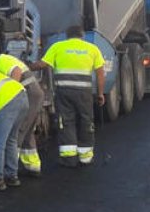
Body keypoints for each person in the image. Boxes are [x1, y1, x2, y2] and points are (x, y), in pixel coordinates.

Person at [31, 26, 106, 168]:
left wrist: (26, 67)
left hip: (64, 92)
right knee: (86, 121)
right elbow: (100, 73)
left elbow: (42, 64)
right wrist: (100, 94)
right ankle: (86, 158)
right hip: (84, 93)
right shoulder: (92, 49)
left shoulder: (58, 46)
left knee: (65, 122)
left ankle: (69, 159)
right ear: (82, 35)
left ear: (67, 35)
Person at [0, 47, 46, 178]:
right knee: (26, 130)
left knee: (17, 130)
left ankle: (9, 170)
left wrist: (11, 93)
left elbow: (16, 71)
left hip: (29, 94)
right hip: (32, 93)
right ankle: (33, 166)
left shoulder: (2, 60)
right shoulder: (2, 61)